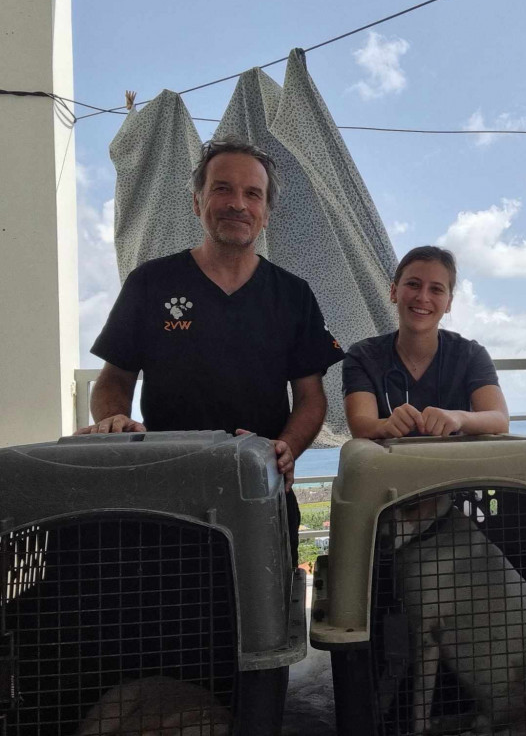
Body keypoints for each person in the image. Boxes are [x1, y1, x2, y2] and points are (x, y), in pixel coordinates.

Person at [77, 137, 344, 566]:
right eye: (222, 188)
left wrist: (286, 448)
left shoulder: (293, 295)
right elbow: (114, 380)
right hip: (164, 493)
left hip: (261, 490)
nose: (237, 203)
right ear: (197, 201)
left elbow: (312, 399)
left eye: (252, 193)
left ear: (266, 214)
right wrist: (113, 420)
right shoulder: (150, 283)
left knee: (262, 624)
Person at [342, 246, 509, 439]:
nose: (422, 297)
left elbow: (499, 420)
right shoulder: (363, 356)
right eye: (413, 285)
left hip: (457, 466)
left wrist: (459, 418)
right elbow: (360, 425)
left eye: (436, 289)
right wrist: (386, 425)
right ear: (394, 292)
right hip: (388, 467)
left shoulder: (471, 354)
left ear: (448, 303)